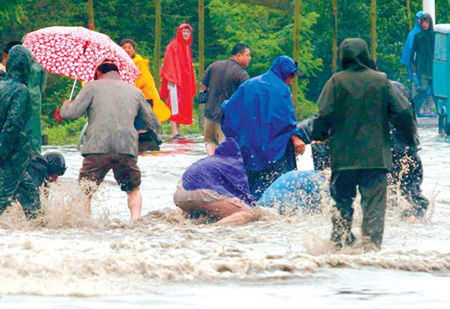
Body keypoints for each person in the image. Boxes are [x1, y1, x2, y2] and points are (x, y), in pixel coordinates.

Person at [312, 38, 417, 249]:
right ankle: (371, 254)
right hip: (376, 158)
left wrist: (320, 134)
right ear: (366, 55)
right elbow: (403, 112)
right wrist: (408, 138)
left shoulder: (336, 82)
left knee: (341, 206)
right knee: (374, 208)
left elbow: (323, 114)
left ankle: (339, 247)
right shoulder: (381, 80)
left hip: (343, 158)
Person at [59, 59, 161, 220]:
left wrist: (65, 106)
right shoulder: (134, 91)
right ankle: (135, 221)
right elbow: (154, 123)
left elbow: (72, 114)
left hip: (97, 148)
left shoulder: (91, 87)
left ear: (99, 72)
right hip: (126, 148)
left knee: (86, 190)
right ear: (118, 73)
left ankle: (85, 223)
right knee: (133, 189)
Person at [221, 55, 307, 200]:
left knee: (248, 189)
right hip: (273, 150)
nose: (291, 81)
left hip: (249, 148)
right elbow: (286, 119)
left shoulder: (249, 85)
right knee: (274, 188)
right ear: (285, 73)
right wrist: (296, 137)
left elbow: (228, 109)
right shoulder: (281, 89)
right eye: (291, 77)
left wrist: (237, 136)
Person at [174, 138, 255, 225]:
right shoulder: (234, 163)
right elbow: (243, 194)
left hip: (179, 195)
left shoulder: (209, 160)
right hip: (199, 193)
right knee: (247, 213)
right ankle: (212, 230)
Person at [0, 45, 41, 219]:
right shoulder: (21, 91)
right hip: (11, 154)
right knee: (3, 196)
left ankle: (38, 230)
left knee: (30, 193)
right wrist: (3, 151)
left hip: (13, 155)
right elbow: (12, 124)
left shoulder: (2, 85)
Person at [200, 43, 252, 155]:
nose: (250, 58)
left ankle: (212, 164)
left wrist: (204, 102)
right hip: (226, 118)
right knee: (225, 147)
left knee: (210, 141)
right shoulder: (241, 74)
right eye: (247, 55)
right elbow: (247, 94)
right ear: (238, 55)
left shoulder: (214, 66)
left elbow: (202, 85)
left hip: (209, 113)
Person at [120, 38, 171, 124]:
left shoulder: (139, 63)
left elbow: (145, 80)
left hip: (142, 96)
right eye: (124, 47)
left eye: (129, 47)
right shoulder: (119, 63)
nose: (127, 50)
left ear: (134, 50)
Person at [160, 23, 197, 139]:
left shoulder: (187, 47)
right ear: (179, 33)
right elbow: (169, 62)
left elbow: (189, 67)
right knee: (174, 103)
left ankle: (177, 130)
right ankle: (174, 131)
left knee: (183, 105)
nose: (186, 34)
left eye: (188, 32)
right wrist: (173, 78)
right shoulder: (173, 46)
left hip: (185, 81)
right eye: (184, 32)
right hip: (175, 80)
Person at [410, 13, 436, 117]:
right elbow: (412, 55)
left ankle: (443, 113)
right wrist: (414, 69)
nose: (425, 24)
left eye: (427, 22)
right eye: (423, 22)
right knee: (423, 90)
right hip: (422, 69)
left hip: (433, 69)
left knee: (436, 92)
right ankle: (414, 109)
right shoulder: (418, 36)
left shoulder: (434, 36)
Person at [400, 11, 423, 80]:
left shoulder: (427, 32)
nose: (420, 21)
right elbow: (411, 48)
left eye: (422, 19)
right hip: (415, 61)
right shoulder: (413, 33)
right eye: (418, 19)